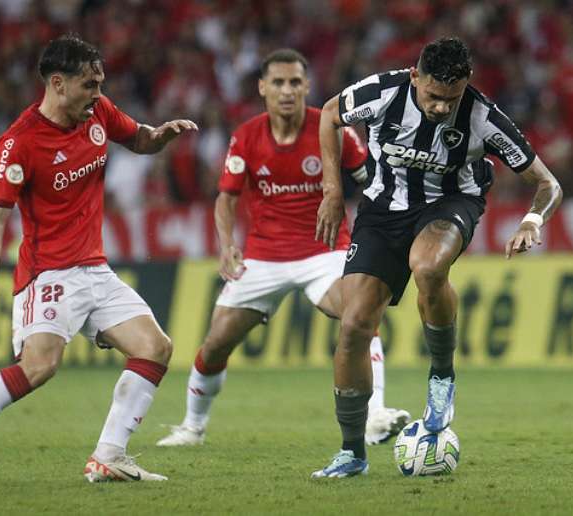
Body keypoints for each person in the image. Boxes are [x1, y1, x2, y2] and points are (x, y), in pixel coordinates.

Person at [0, 34, 198, 484]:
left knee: (155, 347)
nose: (98, 94)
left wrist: (160, 136)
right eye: (89, 85)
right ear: (58, 83)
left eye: (100, 84)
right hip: (48, 274)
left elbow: (138, 139)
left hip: (95, 270)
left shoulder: (97, 113)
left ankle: (109, 456)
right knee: (40, 366)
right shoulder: (19, 142)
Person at [311, 37, 563, 478]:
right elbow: (330, 113)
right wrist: (333, 190)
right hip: (382, 210)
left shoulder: (483, 117)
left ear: (466, 86)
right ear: (415, 77)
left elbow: (548, 183)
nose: (443, 107)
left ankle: (441, 378)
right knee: (354, 326)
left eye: (453, 97)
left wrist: (531, 222)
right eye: (433, 96)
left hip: (449, 204)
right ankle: (352, 452)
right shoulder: (384, 93)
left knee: (427, 266)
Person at [156, 49, 409, 449]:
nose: (287, 91)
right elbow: (226, 198)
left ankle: (375, 415)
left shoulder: (335, 130)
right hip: (263, 257)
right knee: (217, 342)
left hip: (325, 250)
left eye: (295, 82)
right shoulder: (246, 136)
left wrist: (383, 235)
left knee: (357, 314)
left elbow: (371, 182)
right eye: (278, 82)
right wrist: (226, 246)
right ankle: (192, 428)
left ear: (308, 87)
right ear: (262, 88)